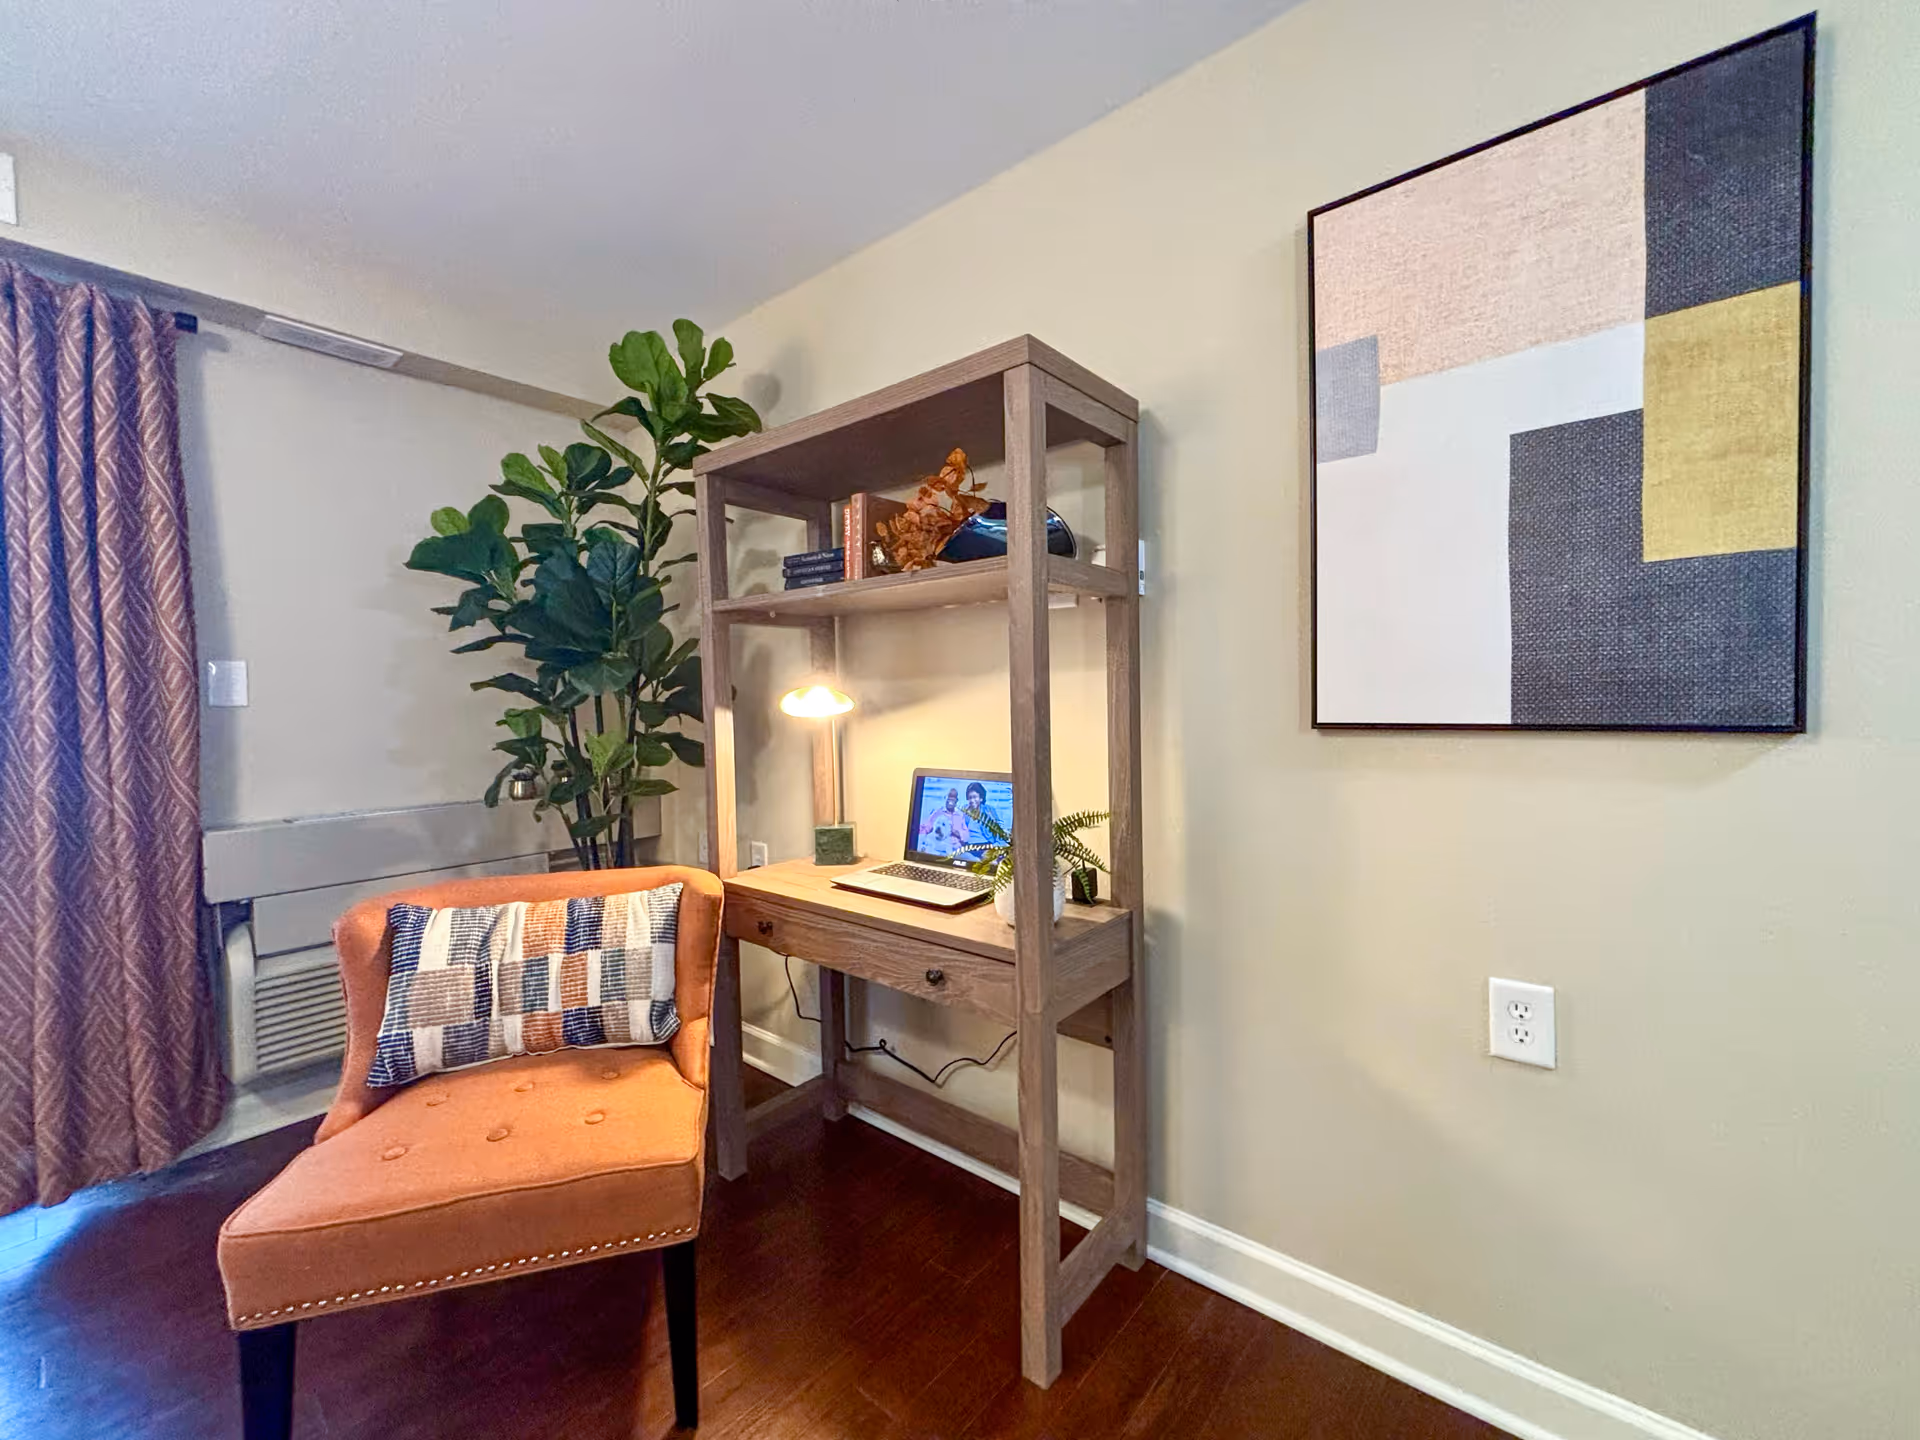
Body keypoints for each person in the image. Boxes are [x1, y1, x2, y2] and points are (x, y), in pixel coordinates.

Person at [917, 786, 970, 857]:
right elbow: (927, 828)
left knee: (973, 860)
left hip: (957, 850)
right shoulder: (938, 812)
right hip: (939, 849)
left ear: (956, 801)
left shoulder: (960, 815)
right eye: (948, 799)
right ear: (945, 798)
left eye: (953, 800)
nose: (950, 802)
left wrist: (955, 832)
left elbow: (966, 836)